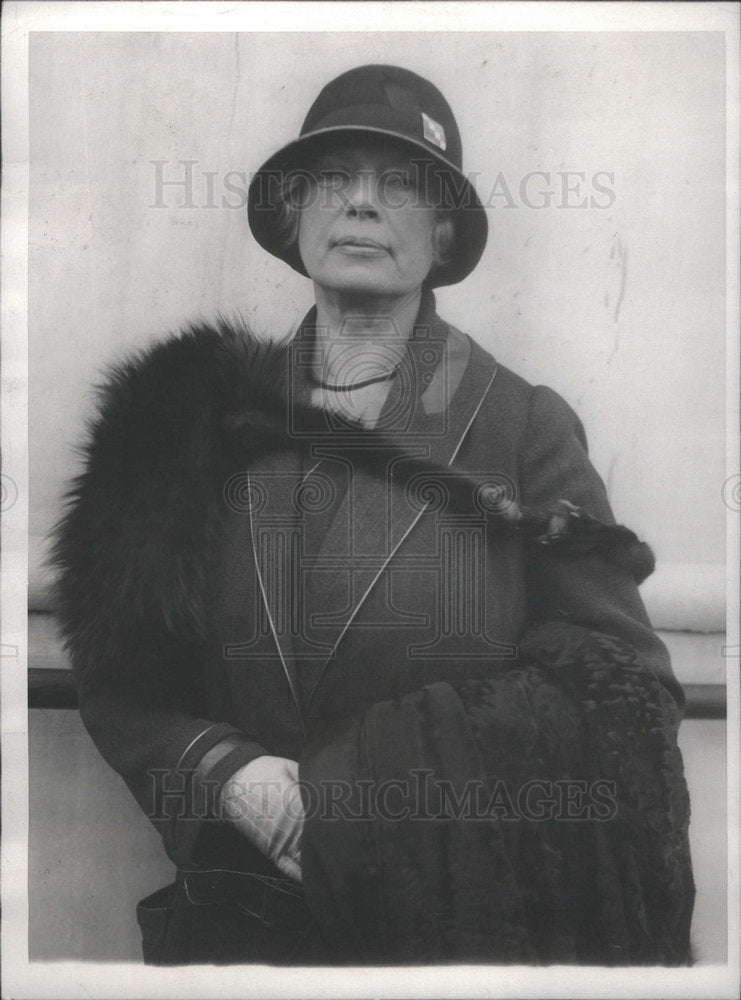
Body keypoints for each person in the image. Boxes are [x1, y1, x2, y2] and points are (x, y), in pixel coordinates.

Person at [52, 64, 694, 966]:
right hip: (233, 930)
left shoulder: (517, 425)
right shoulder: (186, 415)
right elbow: (121, 672)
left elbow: (618, 692)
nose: (359, 204)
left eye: (399, 182)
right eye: (330, 179)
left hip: (442, 936)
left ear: (443, 231)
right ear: (291, 216)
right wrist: (227, 775)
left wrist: (370, 803)